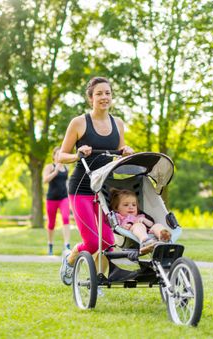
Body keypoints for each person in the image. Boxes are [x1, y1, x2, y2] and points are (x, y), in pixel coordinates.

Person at [58, 76, 134, 285]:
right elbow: (61, 156)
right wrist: (78, 154)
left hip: (104, 190)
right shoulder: (79, 123)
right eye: (99, 93)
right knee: (92, 242)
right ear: (91, 98)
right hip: (81, 188)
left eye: (107, 93)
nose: (104, 97)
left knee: (109, 242)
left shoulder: (118, 124)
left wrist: (126, 152)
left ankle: (97, 281)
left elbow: (118, 156)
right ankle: (71, 259)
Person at [110, 188, 172, 254]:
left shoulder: (140, 216)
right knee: (138, 225)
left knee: (157, 225)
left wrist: (144, 220)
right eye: (126, 205)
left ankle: (164, 237)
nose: (131, 207)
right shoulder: (118, 216)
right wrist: (124, 226)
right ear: (116, 208)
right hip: (133, 235)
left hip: (149, 232)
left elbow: (151, 224)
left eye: (134, 205)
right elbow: (118, 226)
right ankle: (145, 242)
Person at [43, 146, 71, 255]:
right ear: (54, 156)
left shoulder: (66, 168)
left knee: (65, 218)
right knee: (51, 223)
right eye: (57, 154)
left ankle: (67, 245)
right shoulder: (49, 167)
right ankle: (50, 244)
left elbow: (67, 183)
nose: (59, 156)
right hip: (51, 199)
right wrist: (55, 171)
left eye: (61, 153)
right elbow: (45, 180)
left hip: (63, 198)